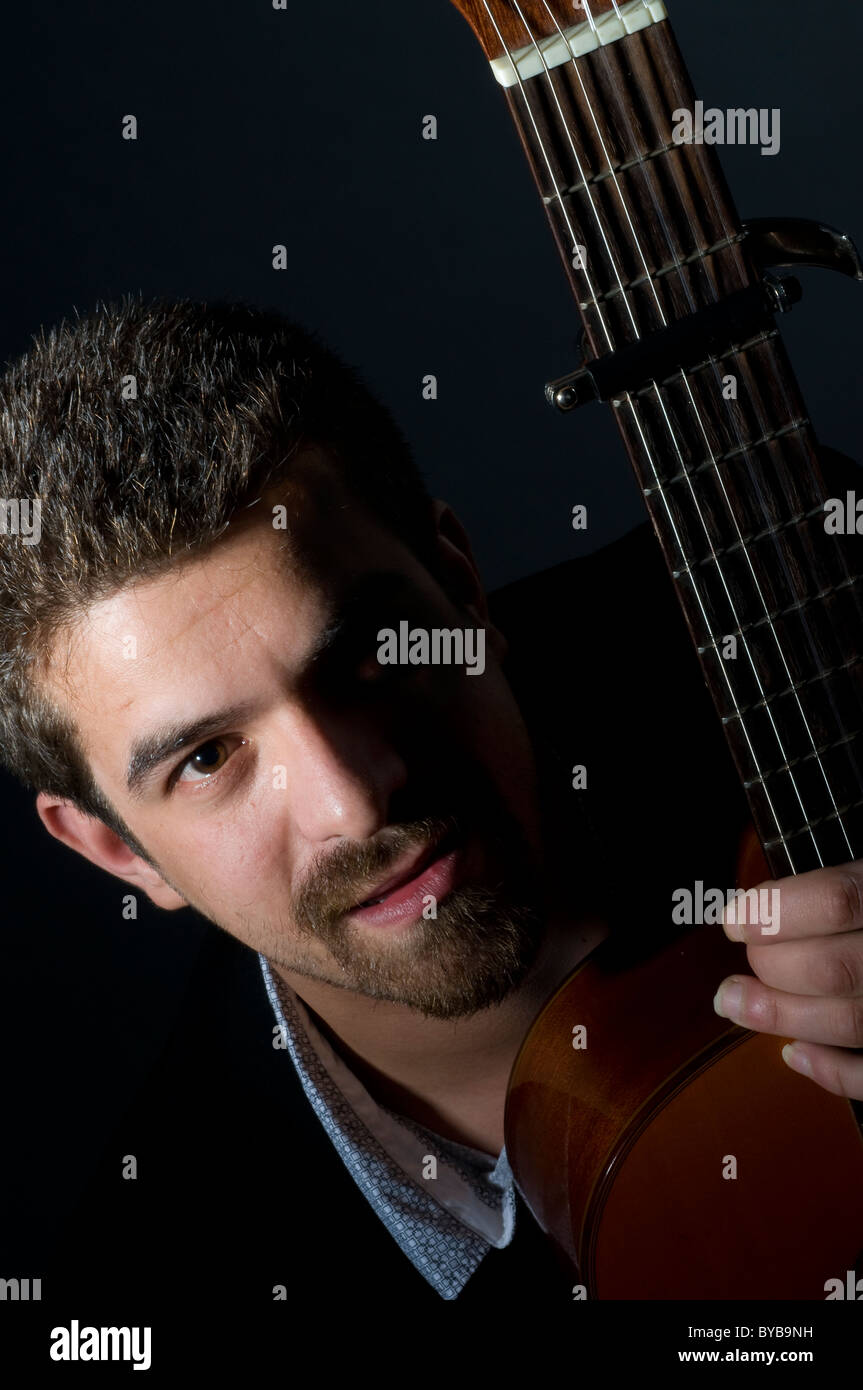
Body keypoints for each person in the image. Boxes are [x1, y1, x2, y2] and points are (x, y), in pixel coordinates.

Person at [1, 295, 861, 1333]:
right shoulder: (157, 1293)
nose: (353, 797)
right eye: (208, 758)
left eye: (366, 655)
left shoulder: (813, 582)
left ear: (457, 583)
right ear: (110, 846)